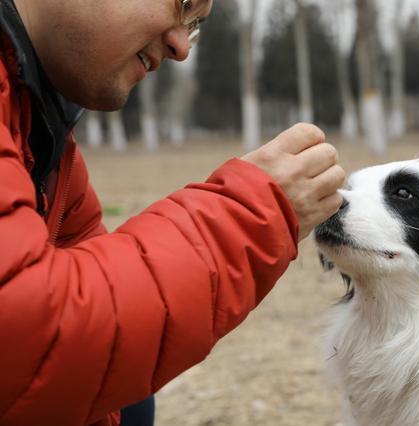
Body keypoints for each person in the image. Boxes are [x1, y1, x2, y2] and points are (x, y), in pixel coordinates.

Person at [0, 0, 345, 425]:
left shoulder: (40, 130)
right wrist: (252, 214)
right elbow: (26, 341)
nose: (183, 47)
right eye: (182, 4)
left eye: (195, 25)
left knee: (127, 399)